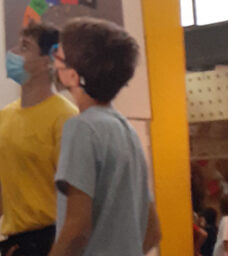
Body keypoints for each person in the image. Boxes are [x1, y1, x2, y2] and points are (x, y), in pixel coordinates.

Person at [0, 22, 78, 256]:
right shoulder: (6, 115)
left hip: (52, 243)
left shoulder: (66, 118)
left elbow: (75, 198)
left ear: (47, 61)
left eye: (25, 47)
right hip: (15, 246)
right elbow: (0, 186)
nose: (13, 52)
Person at [49, 17, 161, 256]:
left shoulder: (81, 129)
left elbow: (77, 229)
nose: (53, 61)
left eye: (59, 55)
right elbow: (152, 231)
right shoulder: (127, 131)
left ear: (73, 75)